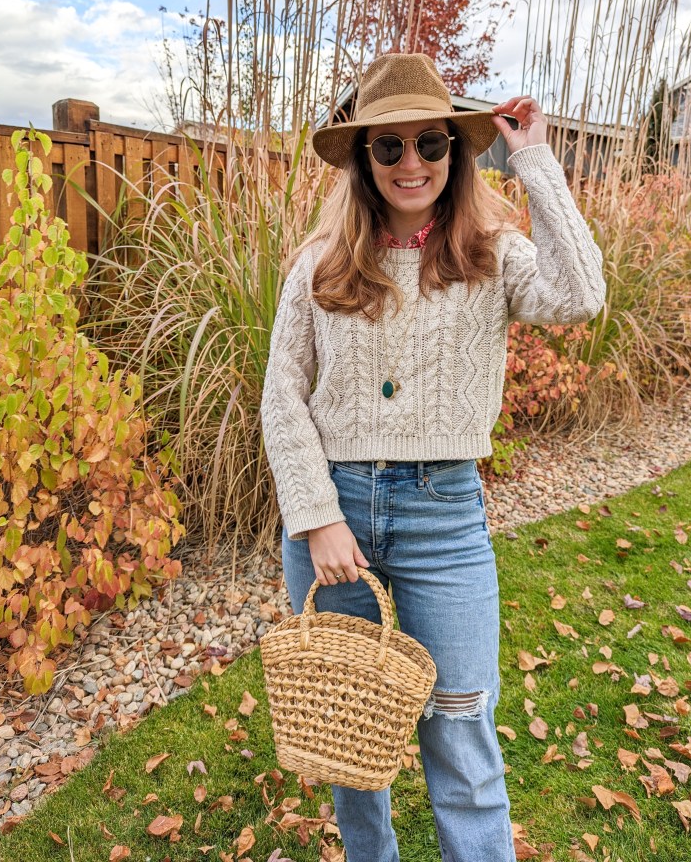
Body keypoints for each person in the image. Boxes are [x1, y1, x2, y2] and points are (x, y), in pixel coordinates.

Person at [260, 52, 606, 862]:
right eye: (388, 147)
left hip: (442, 518)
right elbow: (281, 394)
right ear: (361, 159)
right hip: (332, 520)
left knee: (460, 725)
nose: (411, 162)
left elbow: (582, 292)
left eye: (431, 143)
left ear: (457, 151)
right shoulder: (319, 263)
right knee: (353, 733)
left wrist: (532, 158)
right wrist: (315, 519)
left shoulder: (491, 253)